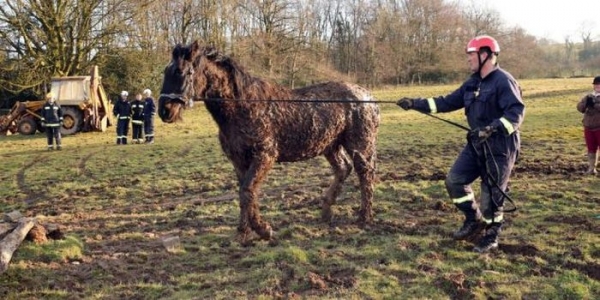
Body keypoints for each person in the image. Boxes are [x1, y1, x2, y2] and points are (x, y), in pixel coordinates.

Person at [397, 35, 525, 253]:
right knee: (455, 180)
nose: (468, 60)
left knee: (491, 193)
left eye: (471, 55)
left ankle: (491, 235)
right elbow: (447, 102)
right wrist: (414, 103)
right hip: (476, 144)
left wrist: (493, 128)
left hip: (500, 146)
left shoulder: (504, 81)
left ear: (485, 55)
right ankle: (472, 219)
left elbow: (516, 113)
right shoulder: (473, 83)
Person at [576, 76, 600, 174]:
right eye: (596, 85)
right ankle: (591, 168)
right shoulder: (588, 96)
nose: (598, 87)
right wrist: (585, 104)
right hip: (588, 126)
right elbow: (579, 108)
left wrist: (595, 105)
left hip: (599, 126)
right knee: (591, 148)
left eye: (599, 85)